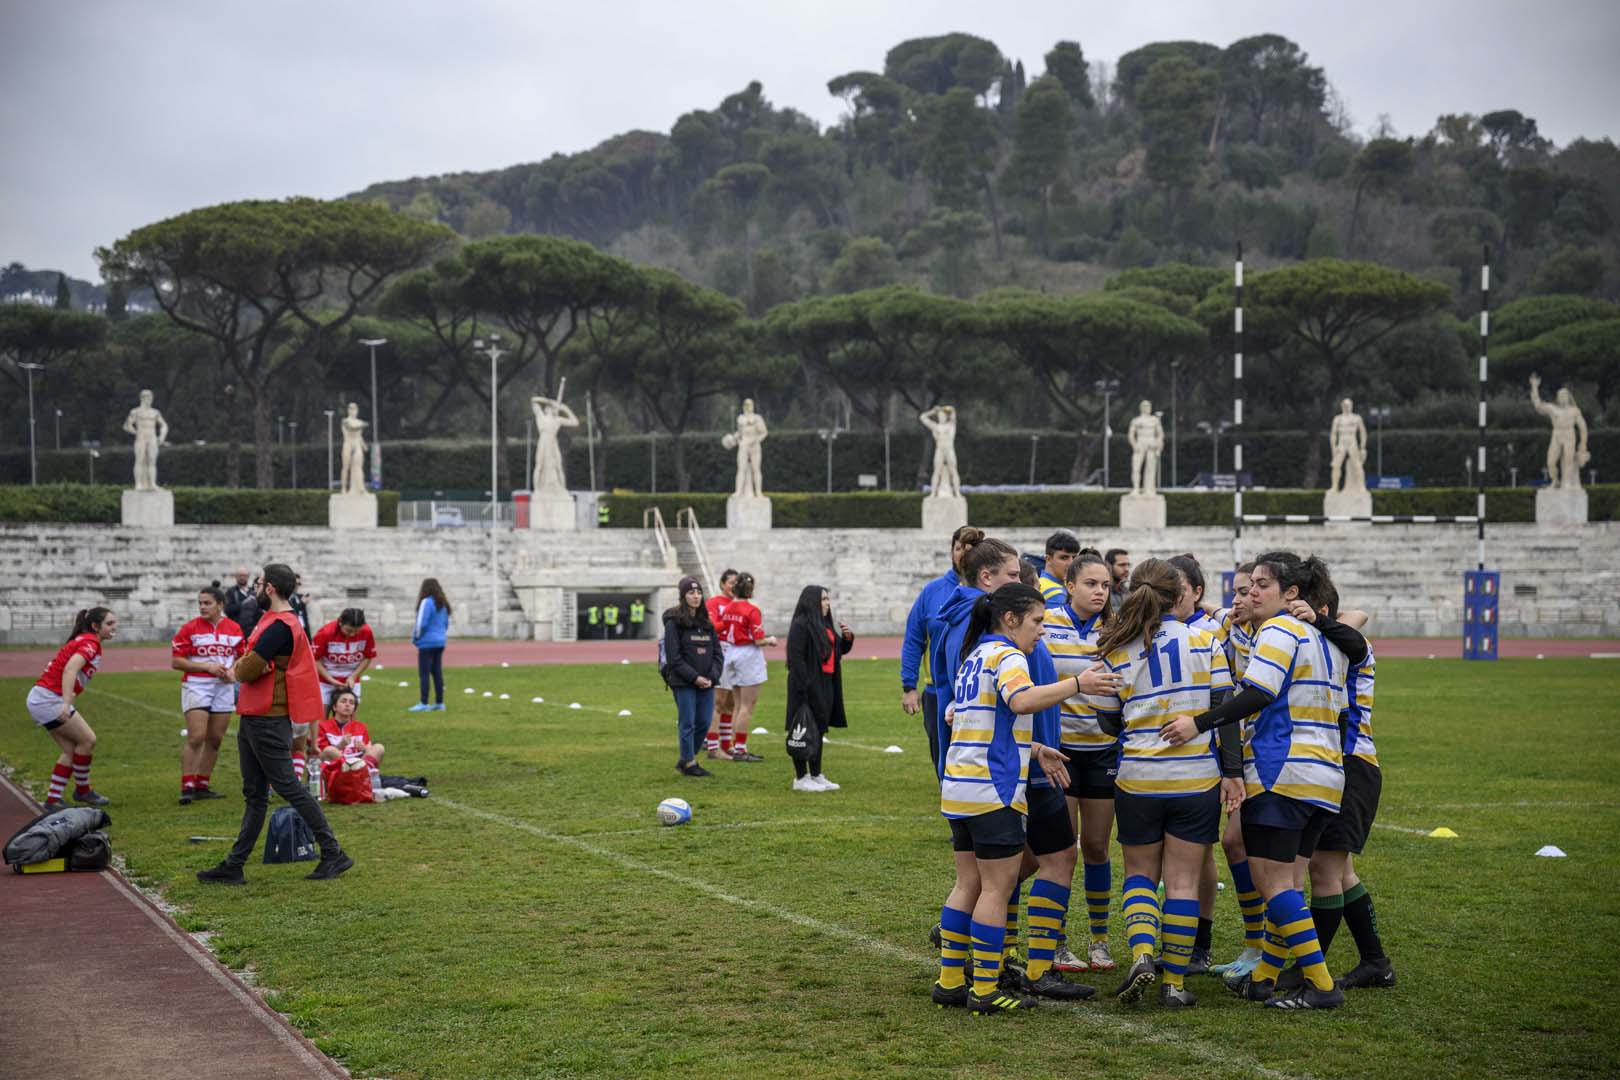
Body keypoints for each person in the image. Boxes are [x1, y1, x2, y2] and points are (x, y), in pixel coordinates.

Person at [1163, 551, 1369, 1010]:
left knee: (1273, 886)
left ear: (1291, 593)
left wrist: (1199, 723)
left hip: (1281, 772)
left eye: (1261, 585)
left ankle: (1320, 985)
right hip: (1325, 776)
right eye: (1249, 584)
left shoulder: (1279, 629)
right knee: (1288, 886)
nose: (1251, 592)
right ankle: (1266, 976)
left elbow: (1257, 692)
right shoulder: (1319, 634)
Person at [1089, 559, 1238, 1008]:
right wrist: (1232, 772)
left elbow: (1109, 722)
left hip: (1137, 778)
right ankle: (1173, 982)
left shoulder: (1116, 648)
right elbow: (1224, 710)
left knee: (1139, 875)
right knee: (1183, 883)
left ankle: (1141, 955)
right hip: (1195, 779)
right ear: (1179, 597)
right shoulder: (1206, 639)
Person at [931, 583, 1084, 1014]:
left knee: (967, 885)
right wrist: (1077, 683)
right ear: (1012, 619)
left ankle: (948, 982)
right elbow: (1020, 701)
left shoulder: (973, 656)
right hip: (993, 791)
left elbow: (976, 721)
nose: (1041, 631)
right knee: (996, 890)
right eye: (1037, 622)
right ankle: (984, 990)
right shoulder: (1007, 655)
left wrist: (1034, 749)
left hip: (959, 788)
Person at [198, 562, 352, 884]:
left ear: (269, 588)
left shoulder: (281, 625)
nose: (255, 590)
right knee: (255, 794)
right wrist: (248, 665)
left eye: (259, 585)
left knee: (289, 787)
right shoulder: (276, 621)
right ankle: (234, 865)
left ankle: (333, 851)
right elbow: (251, 662)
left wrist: (243, 667)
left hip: (268, 718)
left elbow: (248, 667)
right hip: (256, 716)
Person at [1304, 584, 1394, 991]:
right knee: (1342, 873)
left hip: (1352, 765)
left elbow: (1356, 619)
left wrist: (1320, 618)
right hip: (1339, 764)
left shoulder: (1346, 644)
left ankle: (1310, 969)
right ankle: (1376, 962)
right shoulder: (1322, 641)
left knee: (1323, 868)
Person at [1041, 551, 1121, 974]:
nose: (1099, 592)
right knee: (1062, 851)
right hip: (1060, 752)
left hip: (1104, 752)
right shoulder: (1046, 623)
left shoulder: (1116, 629)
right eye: (1091, 584)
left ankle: (1100, 939)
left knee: (1095, 846)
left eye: (1105, 585)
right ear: (1069, 585)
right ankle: (1054, 941)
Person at [900, 527, 983, 772]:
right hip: (938, 691)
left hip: (981, 691)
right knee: (942, 755)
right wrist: (909, 687)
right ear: (951, 552)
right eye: (959, 549)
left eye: (970, 550)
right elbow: (914, 640)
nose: (964, 555)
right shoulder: (932, 592)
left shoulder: (991, 593)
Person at [26, 608, 117, 811]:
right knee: (87, 739)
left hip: (41, 697)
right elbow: (70, 669)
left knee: (71, 749)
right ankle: (83, 791)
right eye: (109, 624)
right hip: (49, 699)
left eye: (114, 623)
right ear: (95, 626)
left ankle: (53, 799)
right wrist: (66, 703)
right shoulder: (90, 642)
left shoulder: (84, 639)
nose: (114, 627)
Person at [172, 582, 245, 805]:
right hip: (197, 685)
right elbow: (177, 661)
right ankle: (187, 786)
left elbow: (243, 656)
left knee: (215, 739)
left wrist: (233, 671)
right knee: (196, 736)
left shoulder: (234, 628)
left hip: (223, 687)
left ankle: (202, 785)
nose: (202, 607)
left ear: (220, 605)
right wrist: (208, 667)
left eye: (207, 603)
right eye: (200, 603)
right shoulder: (190, 628)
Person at [784, 585, 854, 792]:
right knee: (803, 728)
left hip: (826, 683)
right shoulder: (801, 625)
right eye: (823, 599)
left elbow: (837, 650)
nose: (827, 603)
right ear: (812, 602)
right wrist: (806, 686)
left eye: (827, 599)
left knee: (819, 729)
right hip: (806, 685)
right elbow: (796, 659)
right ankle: (800, 777)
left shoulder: (824, 625)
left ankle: (815, 774)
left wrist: (847, 638)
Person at [663, 576, 724, 777]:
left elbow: (717, 654)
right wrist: (694, 677)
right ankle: (689, 762)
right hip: (683, 682)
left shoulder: (706, 623)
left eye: (698, 593)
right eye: (691, 592)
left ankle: (686, 758)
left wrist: (712, 677)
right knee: (687, 722)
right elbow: (674, 657)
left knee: (704, 723)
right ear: (683, 596)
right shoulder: (674, 622)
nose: (696, 596)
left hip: (706, 682)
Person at [715, 572, 775, 762]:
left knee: (738, 705)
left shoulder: (729, 607)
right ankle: (740, 749)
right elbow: (758, 639)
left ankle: (734, 746)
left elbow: (724, 627)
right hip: (747, 654)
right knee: (747, 706)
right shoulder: (752, 610)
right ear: (750, 589)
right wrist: (770, 640)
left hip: (731, 652)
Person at [318, 688, 385, 805]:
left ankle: (360, 776)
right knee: (330, 750)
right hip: (338, 768)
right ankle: (358, 779)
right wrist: (340, 745)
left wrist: (365, 748)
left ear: (354, 709)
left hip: (359, 765)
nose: (347, 705)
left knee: (379, 747)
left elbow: (369, 751)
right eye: (343, 701)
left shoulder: (361, 726)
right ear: (334, 707)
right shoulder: (323, 726)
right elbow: (322, 754)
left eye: (351, 702)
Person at [704, 569, 740, 757]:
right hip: (721, 652)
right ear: (722, 584)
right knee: (717, 702)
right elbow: (711, 626)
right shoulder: (714, 603)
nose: (734, 586)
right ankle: (712, 747)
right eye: (731, 582)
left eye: (737, 582)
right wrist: (730, 618)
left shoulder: (742, 604)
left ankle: (726, 744)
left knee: (731, 704)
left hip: (738, 654)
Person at [313, 609, 378, 707]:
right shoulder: (325, 633)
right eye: (348, 630)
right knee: (321, 719)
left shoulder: (367, 631)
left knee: (349, 717)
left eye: (357, 631)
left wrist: (353, 676)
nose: (352, 634)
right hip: (325, 680)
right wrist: (331, 680)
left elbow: (368, 657)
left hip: (351, 680)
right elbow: (315, 659)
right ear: (340, 622)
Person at [409, 578, 451, 712]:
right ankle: (439, 703)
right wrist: (440, 636)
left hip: (427, 642)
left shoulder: (426, 602)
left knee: (424, 673)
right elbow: (445, 624)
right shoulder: (443, 604)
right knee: (437, 672)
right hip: (440, 641)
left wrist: (416, 638)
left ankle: (424, 703)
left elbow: (421, 623)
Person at [1036, 530, 1080, 608]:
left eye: (1074, 558)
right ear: (1048, 559)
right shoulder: (1057, 593)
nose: (1071, 563)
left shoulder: (1039, 582)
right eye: (1064, 558)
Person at [225, 567, 259, 637]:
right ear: (236, 577)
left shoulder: (253, 592)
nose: (242, 578)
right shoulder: (231, 592)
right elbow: (228, 609)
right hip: (236, 630)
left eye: (244, 575)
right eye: (240, 575)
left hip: (252, 631)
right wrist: (243, 604)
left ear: (248, 576)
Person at [1104, 548, 1130, 612]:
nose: (1126, 569)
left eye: (1128, 565)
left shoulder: (1127, 591)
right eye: (1122, 565)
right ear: (1108, 566)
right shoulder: (1102, 591)